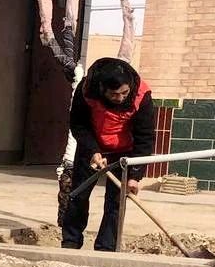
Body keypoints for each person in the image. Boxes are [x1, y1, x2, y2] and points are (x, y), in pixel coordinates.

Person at [63, 57, 155, 252]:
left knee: (115, 202)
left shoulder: (142, 95)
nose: (120, 98)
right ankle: (70, 241)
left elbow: (145, 138)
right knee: (78, 195)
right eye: (114, 94)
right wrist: (92, 150)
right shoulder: (87, 89)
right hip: (93, 148)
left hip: (125, 153)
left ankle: (106, 247)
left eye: (124, 93)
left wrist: (134, 176)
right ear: (102, 88)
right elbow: (78, 124)